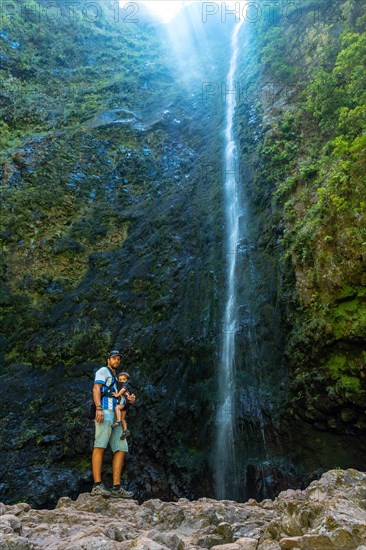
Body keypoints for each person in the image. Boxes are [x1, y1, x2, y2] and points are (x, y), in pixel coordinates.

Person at [91, 350, 136, 498]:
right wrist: (98, 408)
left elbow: (121, 397)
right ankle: (97, 485)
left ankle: (116, 487)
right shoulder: (103, 371)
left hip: (116, 416)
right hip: (104, 411)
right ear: (108, 359)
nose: (116, 361)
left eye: (118, 359)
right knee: (100, 445)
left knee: (122, 447)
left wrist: (130, 400)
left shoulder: (118, 379)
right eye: (114, 358)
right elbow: (96, 388)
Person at [112, 372, 133, 439]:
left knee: (117, 407)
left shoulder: (125, 384)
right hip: (127, 403)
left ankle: (118, 421)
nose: (122, 381)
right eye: (120, 380)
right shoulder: (127, 385)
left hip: (124, 400)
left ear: (127, 380)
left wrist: (117, 395)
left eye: (123, 379)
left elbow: (123, 390)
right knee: (123, 418)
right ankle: (125, 430)